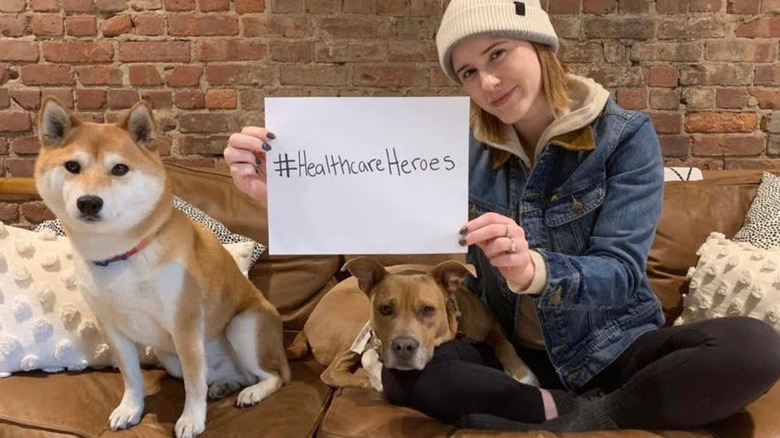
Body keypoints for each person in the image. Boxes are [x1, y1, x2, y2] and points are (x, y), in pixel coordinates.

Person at [224, 0, 780, 431]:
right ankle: (578, 408)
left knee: (757, 348)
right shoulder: (455, 148)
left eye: (498, 53)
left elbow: (622, 272)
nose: (486, 83)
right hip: (504, 352)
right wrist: (290, 191)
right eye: (466, 72)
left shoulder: (624, 139)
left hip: (613, 345)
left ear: (540, 45)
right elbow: (377, 207)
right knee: (405, 372)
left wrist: (536, 269)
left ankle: (583, 414)